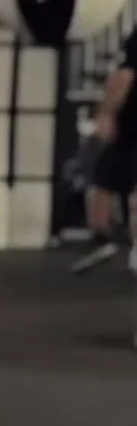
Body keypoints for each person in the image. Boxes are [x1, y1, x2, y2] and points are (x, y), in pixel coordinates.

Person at [71, 27, 137, 274]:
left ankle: (104, 240)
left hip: (130, 128)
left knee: (106, 181)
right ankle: (103, 239)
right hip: (129, 129)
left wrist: (107, 114)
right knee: (104, 179)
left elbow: (123, 77)